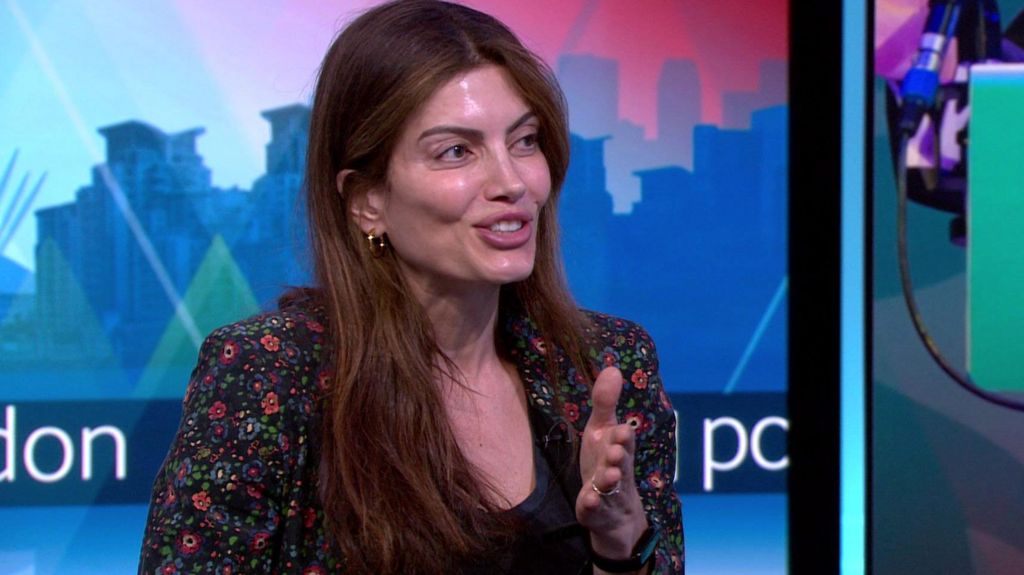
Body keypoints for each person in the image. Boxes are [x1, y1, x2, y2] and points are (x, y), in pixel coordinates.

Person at [137, 1, 683, 573]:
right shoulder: (267, 375)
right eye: (456, 151)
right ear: (367, 201)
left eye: (524, 141)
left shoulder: (607, 366)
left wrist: (620, 541)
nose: (512, 182)